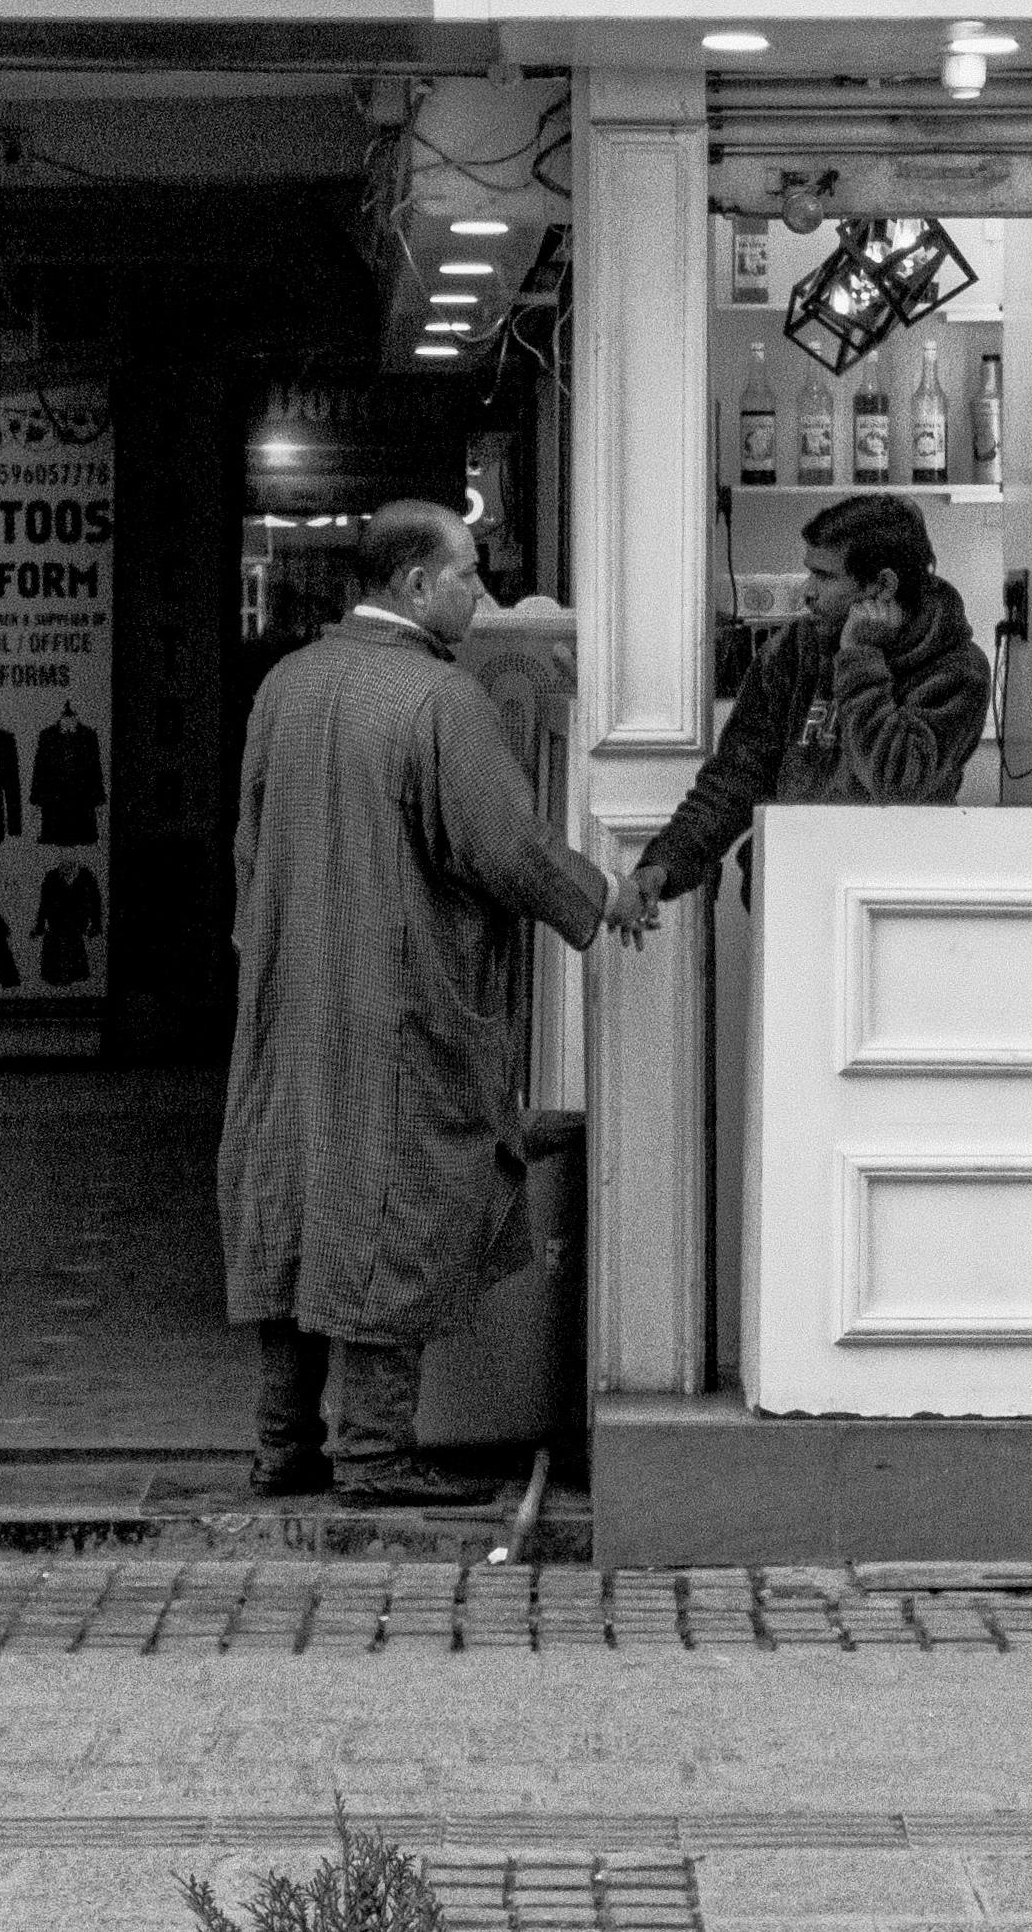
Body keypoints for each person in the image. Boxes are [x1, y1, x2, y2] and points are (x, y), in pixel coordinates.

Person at [220, 498, 651, 1507]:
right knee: (393, 1208)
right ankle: (371, 1452)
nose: (483, 593)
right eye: (468, 575)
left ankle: (280, 1447)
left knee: (293, 1210)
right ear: (416, 584)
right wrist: (600, 904)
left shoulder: (285, 682)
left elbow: (247, 846)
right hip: (399, 1005)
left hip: (289, 997)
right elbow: (506, 845)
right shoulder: (438, 699)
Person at [631, 493, 992, 912]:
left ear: (882, 585)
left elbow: (898, 783)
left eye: (824, 576)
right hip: (789, 887)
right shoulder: (793, 650)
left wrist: (860, 658)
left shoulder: (957, 670)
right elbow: (736, 776)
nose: (808, 592)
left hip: (894, 903)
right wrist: (665, 865)